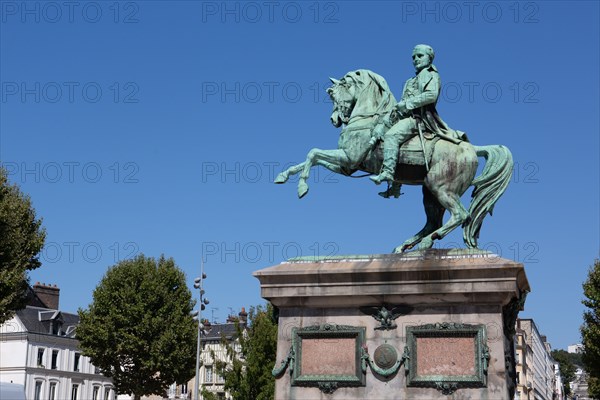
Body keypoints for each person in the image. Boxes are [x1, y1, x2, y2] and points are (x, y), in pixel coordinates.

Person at [370, 44, 467, 187]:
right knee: (380, 129)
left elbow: (431, 95)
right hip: (404, 116)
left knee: (392, 136)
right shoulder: (410, 81)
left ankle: (388, 172)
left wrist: (407, 104)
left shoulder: (432, 75)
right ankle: (396, 186)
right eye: (413, 57)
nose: (416, 59)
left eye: (420, 56)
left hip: (418, 119)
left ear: (430, 58)